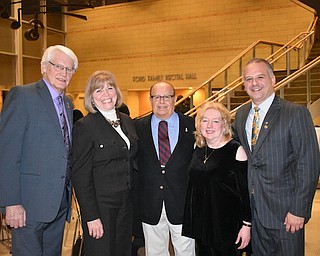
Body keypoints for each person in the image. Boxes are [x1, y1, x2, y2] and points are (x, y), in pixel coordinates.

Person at [233, 58, 320, 255]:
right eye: (248, 79)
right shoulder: (241, 114)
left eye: (260, 77)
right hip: (253, 214)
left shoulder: (295, 113)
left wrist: (299, 209)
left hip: (285, 214)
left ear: (273, 79)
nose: (254, 83)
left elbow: (309, 164)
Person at [0, 45, 78, 256]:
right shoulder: (22, 96)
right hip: (28, 205)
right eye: (58, 66)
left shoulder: (68, 104)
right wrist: (11, 202)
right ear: (44, 67)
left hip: (58, 204)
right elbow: (7, 153)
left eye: (69, 69)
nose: (64, 73)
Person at [71, 70, 138, 256]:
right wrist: (91, 215)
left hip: (126, 204)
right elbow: (80, 175)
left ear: (117, 92)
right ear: (91, 97)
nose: (106, 94)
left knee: (122, 250)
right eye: (98, 90)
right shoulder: (85, 127)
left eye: (110, 88)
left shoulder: (127, 121)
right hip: (101, 206)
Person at [182, 101, 251, 256]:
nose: (209, 125)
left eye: (215, 121)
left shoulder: (236, 150)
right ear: (199, 125)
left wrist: (247, 225)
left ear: (224, 124)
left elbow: (244, 193)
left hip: (226, 226)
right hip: (202, 225)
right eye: (205, 120)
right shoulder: (198, 149)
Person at [135, 81, 196, 256]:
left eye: (166, 97)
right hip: (150, 204)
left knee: (186, 251)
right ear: (150, 99)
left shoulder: (192, 126)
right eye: (156, 97)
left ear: (174, 99)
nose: (161, 102)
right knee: (154, 252)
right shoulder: (138, 127)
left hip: (183, 204)